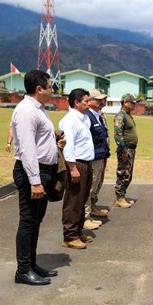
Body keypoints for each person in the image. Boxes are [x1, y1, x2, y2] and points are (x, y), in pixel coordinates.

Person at [11, 70, 62, 285]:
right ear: (39, 89)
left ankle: (31, 264)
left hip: (44, 171)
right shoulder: (26, 111)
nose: (53, 90)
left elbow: (40, 141)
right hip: (33, 172)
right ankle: (23, 270)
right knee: (28, 221)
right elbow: (27, 149)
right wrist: (35, 181)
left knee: (36, 221)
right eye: (50, 86)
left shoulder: (39, 109)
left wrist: (56, 145)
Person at [59, 88, 95, 249]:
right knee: (73, 200)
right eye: (86, 101)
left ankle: (78, 231)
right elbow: (68, 146)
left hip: (86, 163)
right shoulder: (71, 120)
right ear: (76, 102)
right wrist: (72, 168)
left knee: (82, 198)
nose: (89, 104)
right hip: (77, 163)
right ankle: (70, 236)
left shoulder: (83, 118)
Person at [84, 89, 110, 229]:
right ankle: (85, 216)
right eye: (99, 100)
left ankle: (92, 208)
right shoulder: (87, 116)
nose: (102, 102)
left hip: (101, 155)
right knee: (88, 186)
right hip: (92, 157)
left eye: (103, 100)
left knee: (96, 184)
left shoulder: (98, 116)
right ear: (90, 101)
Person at [114, 93, 138, 208]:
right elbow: (118, 134)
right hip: (125, 149)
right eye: (131, 102)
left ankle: (122, 195)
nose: (134, 104)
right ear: (125, 103)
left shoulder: (128, 115)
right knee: (123, 173)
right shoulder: (121, 116)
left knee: (128, 174)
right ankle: (119, 198)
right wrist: (123, 150)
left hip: (131, 149)